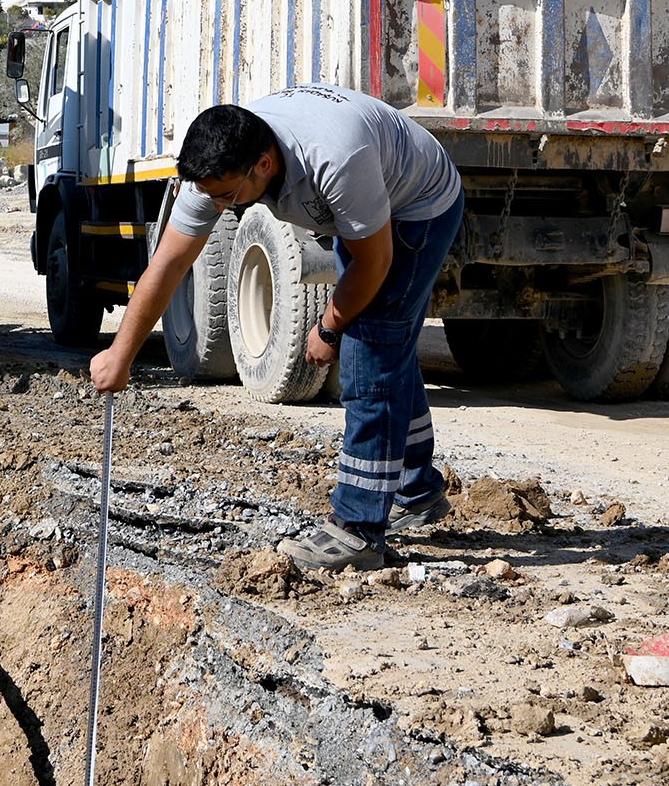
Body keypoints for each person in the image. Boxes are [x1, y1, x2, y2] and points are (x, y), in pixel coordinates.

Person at [89, 85, 466, 572]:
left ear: (264, 164)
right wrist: (122, 351)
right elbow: (167, 266)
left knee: (370, 347)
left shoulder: (334, 157)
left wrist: (329, 328)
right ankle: (417, 490)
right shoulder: (221, 169)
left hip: (419, 205)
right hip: (366, 205)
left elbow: (373, 265)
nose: (220, 206)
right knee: (385, 344)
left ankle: (358, 530)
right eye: (211, 196)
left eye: (226, 195)